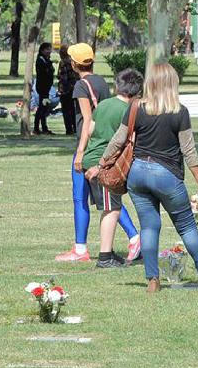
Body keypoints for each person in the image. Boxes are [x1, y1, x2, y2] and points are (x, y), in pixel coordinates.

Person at [101, 62, 198, 292]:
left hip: (137, 173)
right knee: (187, 227)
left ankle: (153, 280)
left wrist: (102, 162)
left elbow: (119, 139)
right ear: (173, 83)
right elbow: (188, 151)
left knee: (149, 227)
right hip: (167, 175)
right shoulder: (179, 111)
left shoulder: (135, 107)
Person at [55, 43, 141, 263]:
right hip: (106, 142)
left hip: (91, 147)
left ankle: (83, 248)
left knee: (83, 198)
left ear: (74, 64)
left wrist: (81, 152)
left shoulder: (81, 86)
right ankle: (128, 238)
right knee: (108, 198)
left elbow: (87, 121)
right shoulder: (100, 81)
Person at [83, 69, 144, 269]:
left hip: (91, 156)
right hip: (105, 163)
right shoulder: (128, 110)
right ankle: (104, 257)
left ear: (117, 86)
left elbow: (90, 128)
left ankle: (108, 254)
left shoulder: (103, 104)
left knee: (112, 206)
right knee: (111, 209)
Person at [33, 42, 55, 135]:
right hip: (42, 87)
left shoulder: (46, 60)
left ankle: (43, 127)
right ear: (42, 50)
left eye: (50, 49)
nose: (49, 51)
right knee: (42, 108)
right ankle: (37, 128)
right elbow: (44, 72)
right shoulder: (40, 60)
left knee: (44, 107)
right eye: (47, 49)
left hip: (46, 87)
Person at [57, 44, 78, 135]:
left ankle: (69, 129)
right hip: (74, 88)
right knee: (73, 109)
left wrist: (62, 88)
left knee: (66, 110)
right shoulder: (73, 62)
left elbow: (63, 77)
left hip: (65, 89)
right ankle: (76, 127)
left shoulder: (63, 63)